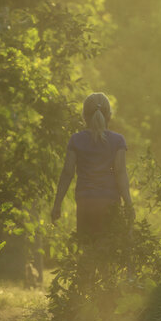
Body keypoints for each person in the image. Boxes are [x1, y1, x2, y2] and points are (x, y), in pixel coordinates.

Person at [51, 92, 134, 241]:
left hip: (85, 202)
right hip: (110, 202)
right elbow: (120, 173)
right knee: (108, 251)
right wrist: (129, 205)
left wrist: (57, 204)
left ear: (84, 116)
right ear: (109, 115)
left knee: (87, 249)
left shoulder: (75, 140)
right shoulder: (118, 141)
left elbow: (67, 173)